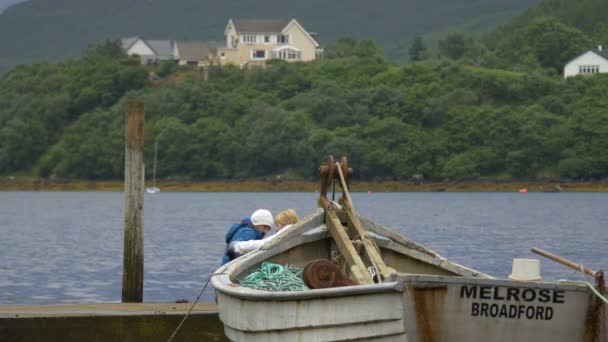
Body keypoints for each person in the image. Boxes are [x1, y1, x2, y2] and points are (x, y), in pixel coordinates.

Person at [228, 209, 299, 257]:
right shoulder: (249, 233)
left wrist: (236, 246)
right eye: (265, 227)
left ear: (284, 224)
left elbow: (265, 242)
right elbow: (265, 243)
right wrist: (236, 246)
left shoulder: (288, 231)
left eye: (278, 225)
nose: (277, 229)